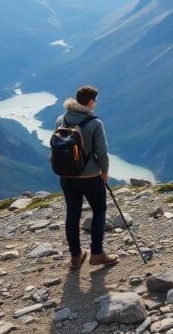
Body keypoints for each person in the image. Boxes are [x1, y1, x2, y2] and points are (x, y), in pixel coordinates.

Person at [55, 85, 118, 269]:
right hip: (90, 176)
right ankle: (97, 254)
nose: (95, 103)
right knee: (99, 210)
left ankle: (76, 257)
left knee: (72, 213)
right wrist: (104, 171)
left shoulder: (61, 119)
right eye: (95, 100)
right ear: (90, 101)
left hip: (66, 176)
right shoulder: (94, 123)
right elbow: (102, 152)